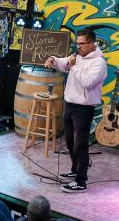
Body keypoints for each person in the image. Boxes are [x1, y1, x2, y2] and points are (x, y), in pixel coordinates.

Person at [44, 28, 108, 193]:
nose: (79, 46)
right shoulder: (77, 57)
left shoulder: (99, 62)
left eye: (82, 43)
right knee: (70, 142)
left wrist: (73, 67)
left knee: (80, 144)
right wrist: (53, 59)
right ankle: (74, 169)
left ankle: (81, 180)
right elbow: (64, 62)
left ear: (92, 43)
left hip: (84, 108)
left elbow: (87, 82)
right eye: (77, 43)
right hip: (70, 104)